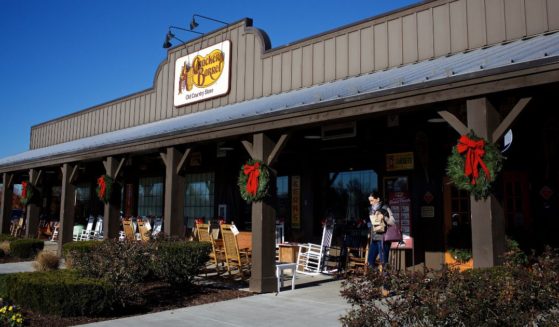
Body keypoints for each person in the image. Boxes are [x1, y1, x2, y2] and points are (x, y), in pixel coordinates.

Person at [366, 191, 395, 271]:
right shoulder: (371, 210)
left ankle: (385, 281)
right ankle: (376, 279)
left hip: (383, 239)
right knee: (370, 262)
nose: (370, 203)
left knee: (383, 262)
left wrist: (384, 218)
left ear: (378, 199)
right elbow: (371, 223)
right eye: (369, 201)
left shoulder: (385, 208)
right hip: (374, 239)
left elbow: (393, 222)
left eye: (372, 200)